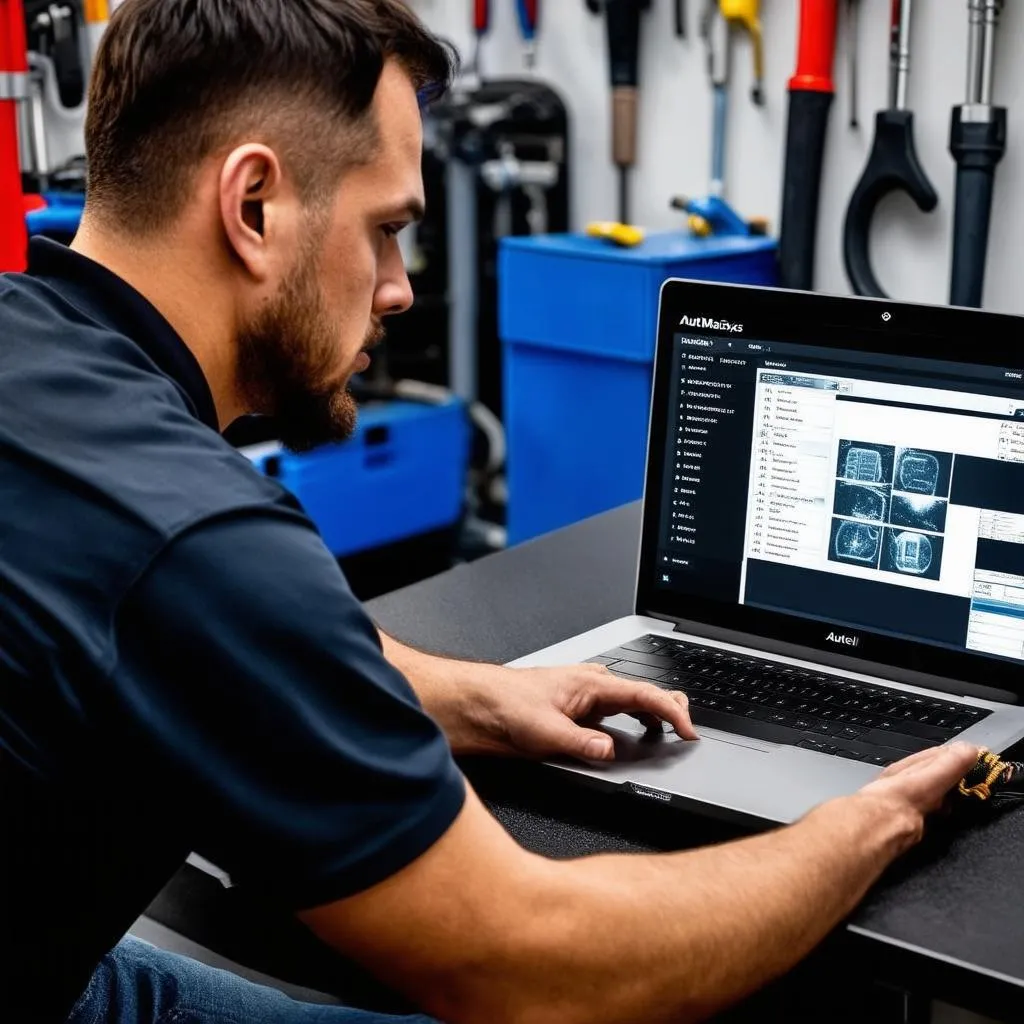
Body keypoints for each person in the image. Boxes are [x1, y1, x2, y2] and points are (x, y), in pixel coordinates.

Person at [0, 2, 979, 1022]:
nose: (398, 290)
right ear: (253, 207)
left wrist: (476, 699)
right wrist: (866, 822)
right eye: (385, 230)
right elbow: (533, 962)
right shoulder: (196, 536)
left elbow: (194, 634)